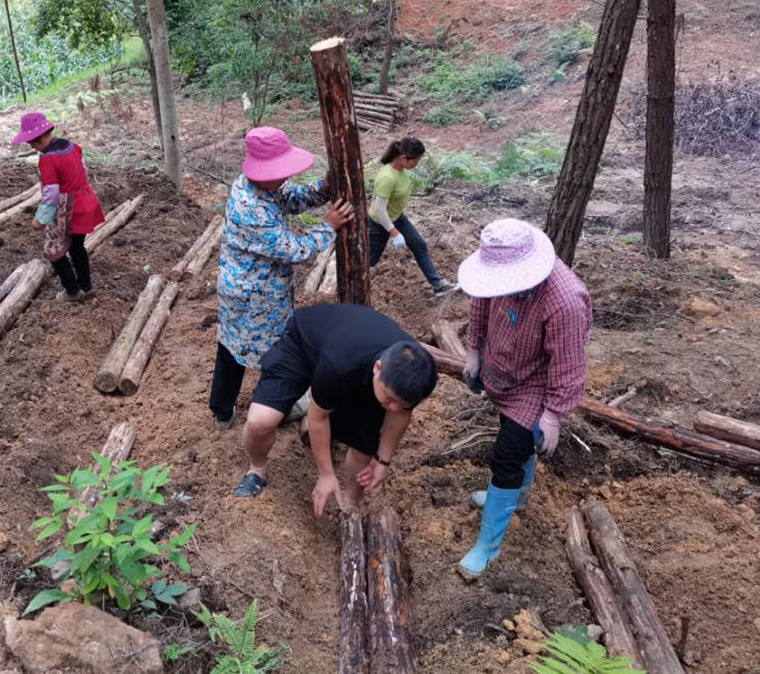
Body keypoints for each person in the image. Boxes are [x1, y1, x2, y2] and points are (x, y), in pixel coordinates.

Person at [455, 218, 591, 580]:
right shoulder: (496, 277)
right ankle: (518, 495)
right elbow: (481, 304)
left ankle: (488, 546)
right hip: (505, 367)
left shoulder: (564, 303)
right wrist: (474, 349)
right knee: (510, 433)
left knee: (507, 452)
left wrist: (554, 414)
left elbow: (569, 362)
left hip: (537, 381)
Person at [212, 127, 354, 430]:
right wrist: (328, 227)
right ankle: (277, 408)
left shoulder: (259, 185)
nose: (285, 178)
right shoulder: (251, 208)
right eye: (280, 171)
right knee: (276, 355)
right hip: (256, 297)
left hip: (244, 288)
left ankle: (221, 409)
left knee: (231, 347)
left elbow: (291, 197)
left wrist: (323, 189)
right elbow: (295, 249)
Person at [232, 303, 437, 510]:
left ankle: (350, 504)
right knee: (261, 422)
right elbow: (318, 417)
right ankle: (256, 469)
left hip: (352, 364)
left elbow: (401, 413)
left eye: (401, 404)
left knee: (364, 446)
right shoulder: (339, 365)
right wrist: (326, 475)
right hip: (302, 345)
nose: (392, 408)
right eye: (390, 400)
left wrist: (383, 460)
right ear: (378, 368)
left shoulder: (416, 375)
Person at [11, 112, 105, 302]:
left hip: (66, 209)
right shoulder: (72, 146)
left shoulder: (47, 159)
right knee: (77, 246)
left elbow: (51, 193)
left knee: (53, 250)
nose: (33, 148)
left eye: (33, 144)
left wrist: (41, 218)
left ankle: (72, 292)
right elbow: (83, 171)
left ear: (41, 138)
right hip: (84, 202)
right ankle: (86, 287)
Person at [368, 137, 454, 295]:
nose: (418, 164)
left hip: (396, 217)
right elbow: (380, 210)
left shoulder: (400, 170)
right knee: (370, 261)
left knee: (419, 245)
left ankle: (438, 285)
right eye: (417, 160)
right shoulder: (387, 177)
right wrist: (394, 232)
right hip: (379, 223)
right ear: (403, 158)